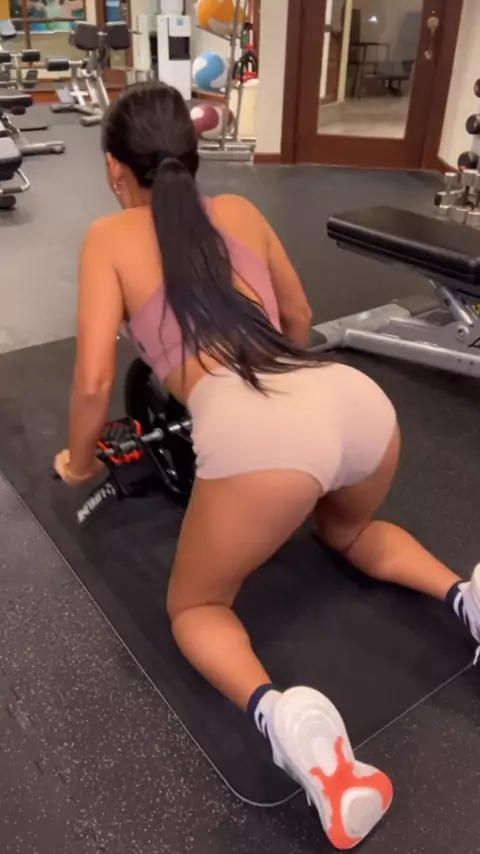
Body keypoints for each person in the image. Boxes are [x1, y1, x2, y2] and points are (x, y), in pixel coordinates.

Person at [54, 82, 480, 851]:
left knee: (196, 608)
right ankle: (466, 597)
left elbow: (91, 382)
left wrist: (79, 463)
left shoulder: (106, 238)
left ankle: (289, 723)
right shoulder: (243, 212)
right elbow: (300, 318)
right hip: (351, 399)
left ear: (116, 169)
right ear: (192, 154)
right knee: (349, 532)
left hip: (260, 438)